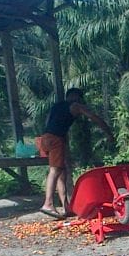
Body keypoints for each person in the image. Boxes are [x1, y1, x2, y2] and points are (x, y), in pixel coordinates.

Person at [38, 88, 113, 218]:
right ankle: (48, 203)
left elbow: (48, 122)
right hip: (55, 138)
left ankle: (66, 207)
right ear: (75, 97)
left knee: (61, 171)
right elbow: (94, 117)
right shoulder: (75, 105)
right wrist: (108, 132)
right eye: (80, 98)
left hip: (45, 138)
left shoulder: (56, 106)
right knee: (54, 171)